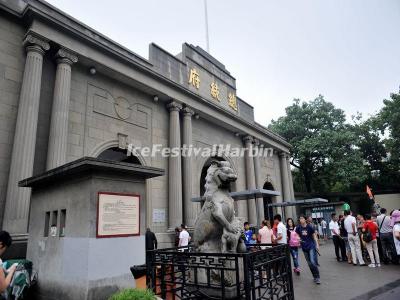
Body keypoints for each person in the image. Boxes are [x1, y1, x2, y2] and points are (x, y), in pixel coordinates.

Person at [296, 215, 320, 284]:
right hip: (304, 247)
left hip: (311, 246)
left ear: (305, 219)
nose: (301, 220)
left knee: (312, 261)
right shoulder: (298, 228)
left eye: (302, 218)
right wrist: (298, 238)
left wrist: (317, 245)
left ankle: (317, 277)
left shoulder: (309, 227)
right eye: (300, 218)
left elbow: (314, 236)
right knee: (309, 264)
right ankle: (315, 276)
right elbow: (297, 235)